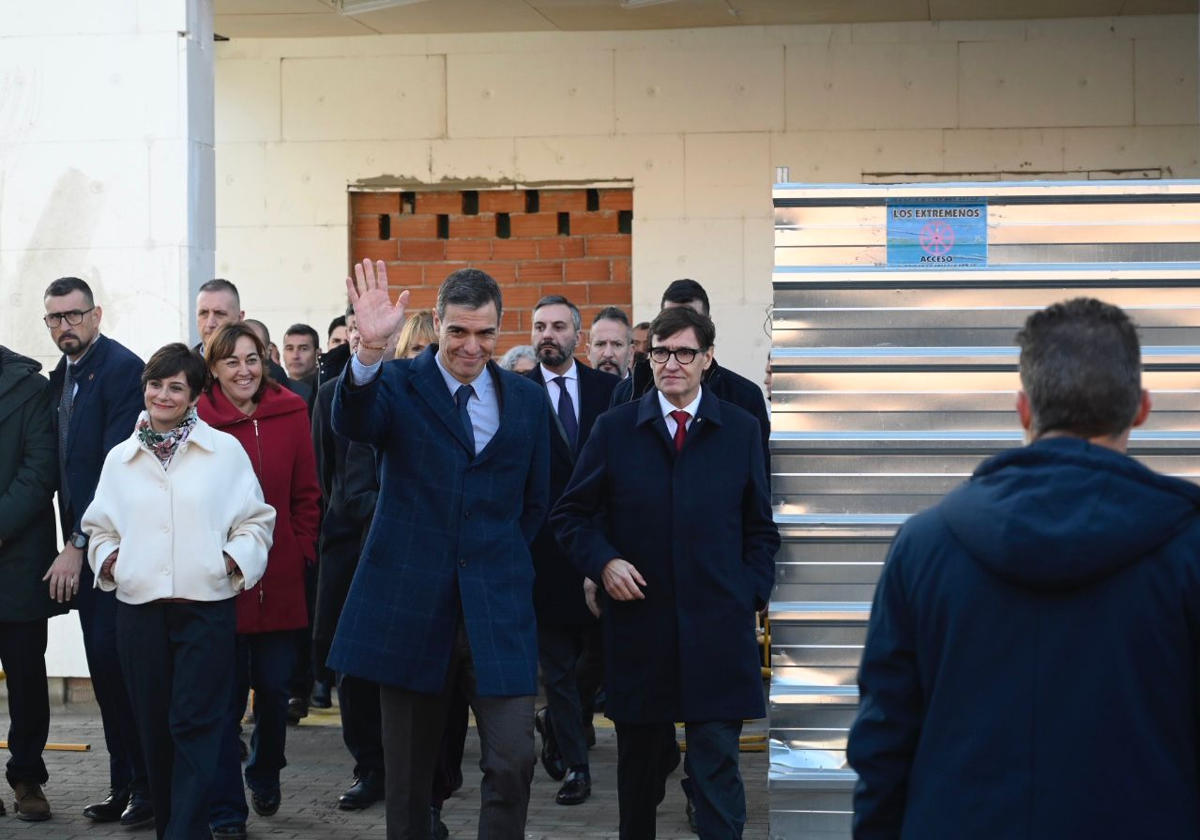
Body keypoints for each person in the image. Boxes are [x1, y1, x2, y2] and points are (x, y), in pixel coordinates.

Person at [848, 298, 1200, 839]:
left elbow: (883, 745)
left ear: (1024, 409)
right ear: (1141, 408)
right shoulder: (1188, 547)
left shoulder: (925, 545)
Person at [332, 259, 550, 840]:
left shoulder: (526, 403)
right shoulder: (399, 385)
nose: (471, 347)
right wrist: (370, 353)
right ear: (437, 322)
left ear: (500, 330)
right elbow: (353, 420)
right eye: (458, 332)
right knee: (407, 781)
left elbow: (537, 503)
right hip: (410, 607)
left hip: (497, 609)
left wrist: (497, 561)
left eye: (484, 333)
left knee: (513, 762)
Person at [553, 305, 778, 840]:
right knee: (640, 774)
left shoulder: (740, 430)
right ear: (645, 357)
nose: (671, 363)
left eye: (684, 352)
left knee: (717, 772)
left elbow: (760, 530)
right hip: (641, 632)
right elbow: (570, 516)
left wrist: (748, 590)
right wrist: (603, 561)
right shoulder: (615, 430)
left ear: (707, 359)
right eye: (660, 352)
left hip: (718, 632)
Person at [81, 343, 275, 840]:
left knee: (196, 726)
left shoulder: (223, 452)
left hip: (204, 612)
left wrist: (228, 562)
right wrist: (113, 563)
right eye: (155, 385)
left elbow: (256, 521)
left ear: (193, 397)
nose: (162, 395)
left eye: (175, 387)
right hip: (139, 614)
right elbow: (100, 529)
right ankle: (175, 827)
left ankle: (186, 831)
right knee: (154, 731)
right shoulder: (119, 459)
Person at [198, 323, 321, 840]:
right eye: (231, 362)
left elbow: (307, 494)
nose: (244, 371)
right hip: (218, 582)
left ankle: (266, 769)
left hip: (280, 577)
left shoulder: (291, 409)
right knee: (223, 701)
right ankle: (227, 810)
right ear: (213, 369)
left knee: (274, 689)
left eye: (252, 359)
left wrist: (300, 550)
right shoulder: (198, 419)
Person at [41, 277, 152, 827]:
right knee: (106, 676)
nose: (65, 326)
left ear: (97, 314)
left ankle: (147, 789)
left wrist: (77, 543)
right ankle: (122, 785)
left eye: (74, 315)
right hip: (85, 555)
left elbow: (113, 469)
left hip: (114, 552)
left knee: (125, 673)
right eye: (55, 318)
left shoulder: (122, 371)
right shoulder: (61, 377)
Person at [526, 296, 620, 806]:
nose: (548, 334)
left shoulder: (611, 391)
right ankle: (576, 768)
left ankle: (558, 723)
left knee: (599, 657)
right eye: (540, 326)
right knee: (556, 666)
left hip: (600, 547)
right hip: (542, 552)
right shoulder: (516, 394)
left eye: (559, 326)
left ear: (576, 337)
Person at [612, 280, 770, 486]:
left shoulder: (744, 397)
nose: (680, 326)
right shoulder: (627, 393)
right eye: (671, 319)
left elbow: (760, 484)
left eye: (685, 352)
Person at [0, 345, 64, 821]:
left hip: (18, 558)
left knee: (25, 676)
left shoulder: (30, 386)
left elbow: (41, 471)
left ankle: (27, 777)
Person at [195, 279, 309, 404]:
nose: (210, 323)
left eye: (219, 314)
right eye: (203, 313)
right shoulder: (184, 369)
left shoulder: (269, 372)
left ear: (239, 318)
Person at [588, 306, 634, 380]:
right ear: (588, 352)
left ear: (631, 352)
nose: (608, 354)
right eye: (600, 344)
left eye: (617, 345)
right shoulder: (576, 390)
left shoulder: (644, 390)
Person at [282, 324, 321, 389]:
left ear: (318, 353)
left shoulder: (328, 389)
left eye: (303, 349)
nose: (295, 356)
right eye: (289, 349)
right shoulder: (274, 389)